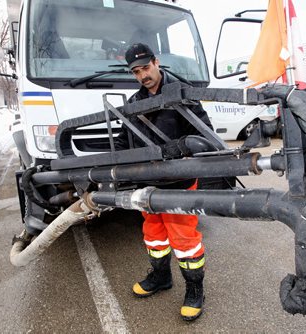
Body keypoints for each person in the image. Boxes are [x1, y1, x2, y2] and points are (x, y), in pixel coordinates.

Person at [114, 43, 212, 321]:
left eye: (145, 67)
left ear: (156, 62)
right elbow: (125, 138)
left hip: (179, 182)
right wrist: (114, 161)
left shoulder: (182, 94)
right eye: (135, 71)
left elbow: (205, 135)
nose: (142, 75)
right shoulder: (134, 103)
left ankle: (195, 289)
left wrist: (178, 147)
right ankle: (161, 277)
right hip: (147, 182)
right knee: (154, 235)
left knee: (185, 241)